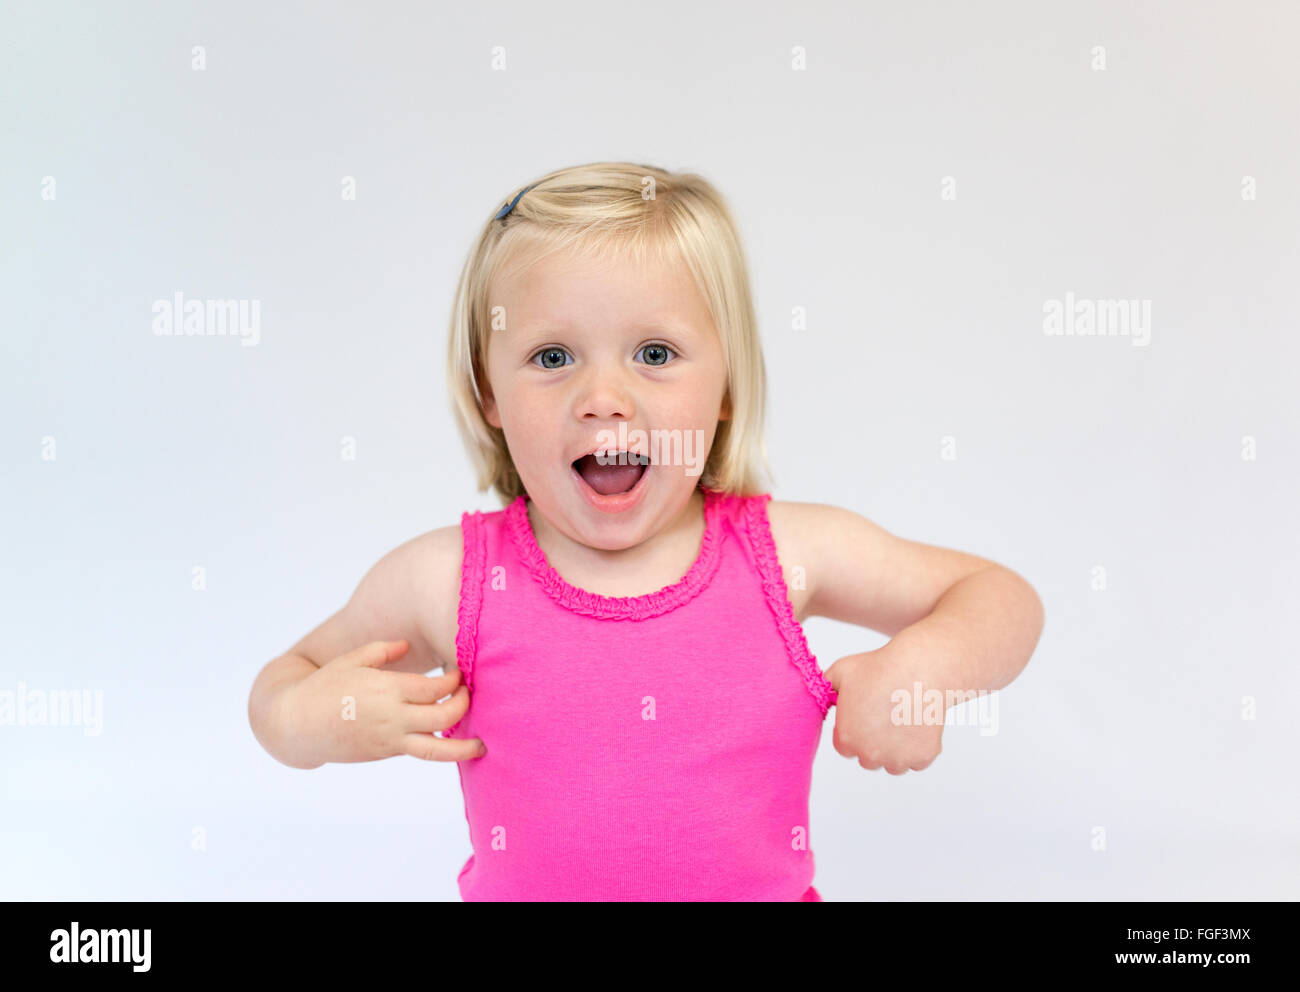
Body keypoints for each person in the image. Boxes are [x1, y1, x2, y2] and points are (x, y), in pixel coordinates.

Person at [247, 161, 1045, 901]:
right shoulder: (448, 578)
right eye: (552, 356)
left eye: (655, 353)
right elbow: (282, 684)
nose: (604, 397)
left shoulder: (786, 555)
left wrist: (928, 666)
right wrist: (314, 719)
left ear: (727, 383)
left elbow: (997, 597)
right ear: (487, 392)